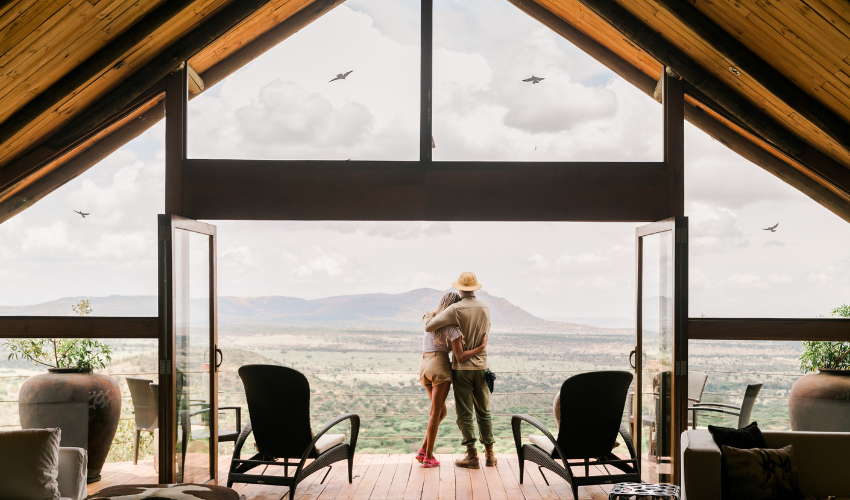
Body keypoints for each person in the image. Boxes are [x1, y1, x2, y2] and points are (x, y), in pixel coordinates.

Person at [423, 271, 495, 469]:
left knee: (464, 413)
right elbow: (485, 335)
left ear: (460, 288)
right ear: (475, 288)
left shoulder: (455, 309)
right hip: (482, 367)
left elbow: (429, 327)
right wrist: (480, 347)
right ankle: (490, 454)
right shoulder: (486, 308)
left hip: (461, 368)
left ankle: (472, 456)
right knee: (484, 412)